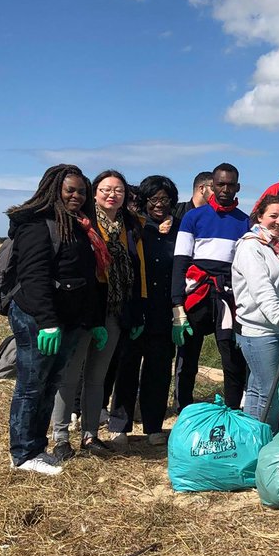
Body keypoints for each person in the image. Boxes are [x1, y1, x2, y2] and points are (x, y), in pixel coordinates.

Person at [3, 164, 105, 475]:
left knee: (49, 384)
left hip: (70, 319)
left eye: (81, 191)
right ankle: (22, 454)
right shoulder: (36, 225)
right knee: (32, 384)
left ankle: (37, 447)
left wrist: (95, 320)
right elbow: (35, 277)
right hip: (38, 318)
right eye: (70, 190)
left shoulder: (81, 226)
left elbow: (89, 278)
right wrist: (47, 321)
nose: (77, 196)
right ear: (53, 190)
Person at [51, 170, 146, 458]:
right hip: (85, 309)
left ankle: (90, 435)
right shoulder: (83, 224)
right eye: (105, 189)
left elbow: (139, 269)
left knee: (97, 376)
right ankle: (60, 436)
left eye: (118, 190)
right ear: (94, 193)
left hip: (116, 310)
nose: (111, 194)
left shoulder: (132, 226)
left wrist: (138, 309)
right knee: (70, 375)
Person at [171, 163, 250, 411]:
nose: (225, 189)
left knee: (231, 358)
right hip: (197, 293)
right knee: (188, 357)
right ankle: (184, 408)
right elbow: (181, 262)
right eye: (220, 184)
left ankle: (232, 411)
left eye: (230, 184)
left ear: (238, 187)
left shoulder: (244, 221)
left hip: (227, 296)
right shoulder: (193, 217)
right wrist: (176, 304)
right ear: (211, 186)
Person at [108, 175, 179, 446]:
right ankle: (119, 426)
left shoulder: (179, 229)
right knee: (127, 367)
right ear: (144, 201)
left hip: (164, 310)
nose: (160, 204)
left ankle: (153, 426)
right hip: (135, 308)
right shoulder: (133, 228)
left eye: (165, 199)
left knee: (159, 370)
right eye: (154, 199)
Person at [231, 195, 279, 421]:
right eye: (273, 216)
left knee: (256, 389)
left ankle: (252, 440)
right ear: (260, 216)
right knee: (271, 393)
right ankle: (266, 441)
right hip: (260, 331)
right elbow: (261, 289)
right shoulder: (250, 247)